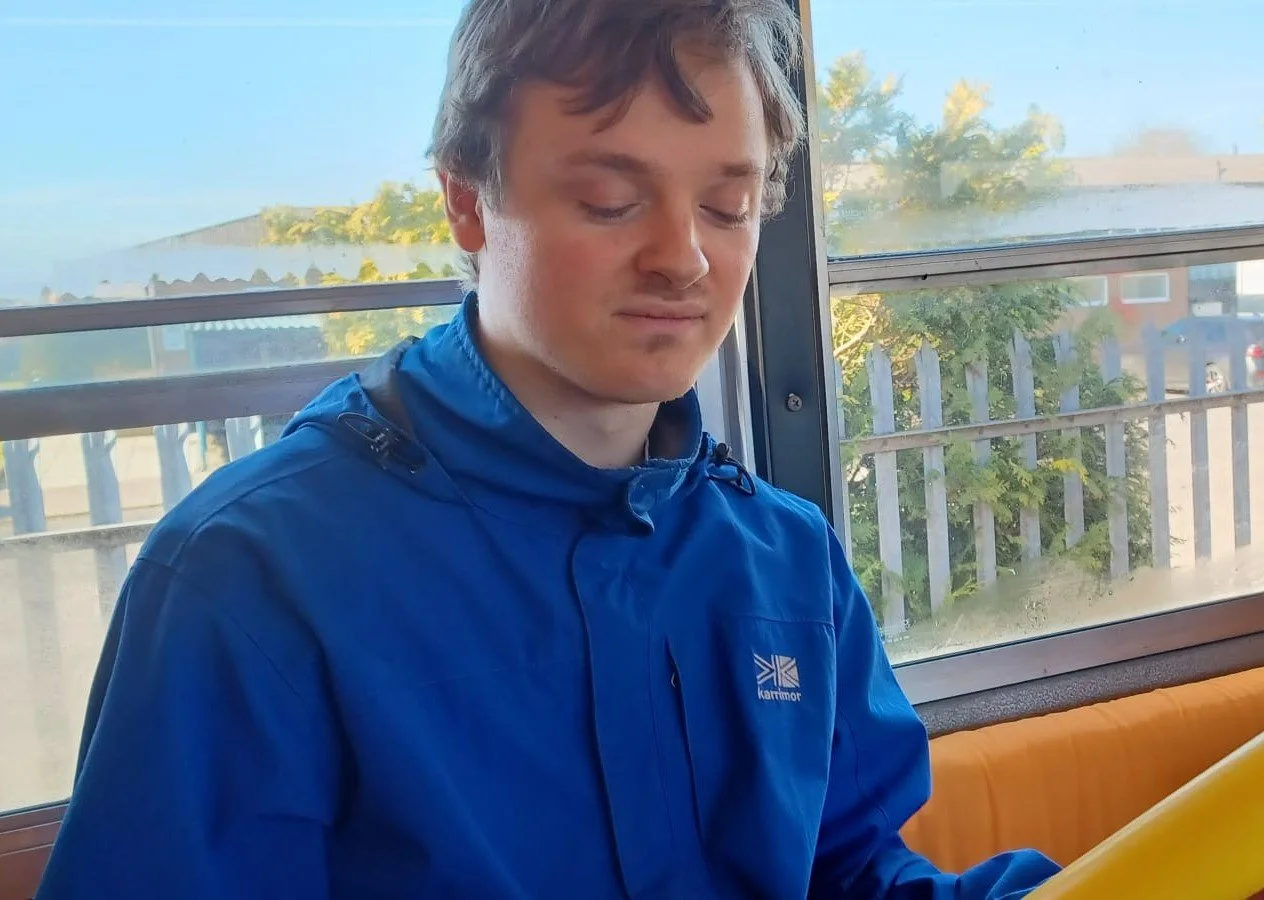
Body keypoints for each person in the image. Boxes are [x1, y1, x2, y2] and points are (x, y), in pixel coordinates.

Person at [37, 0, 1062, 897]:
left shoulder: (788, 563)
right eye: (611, 201)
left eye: (728, 206)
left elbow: (850, 871)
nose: (684, 258)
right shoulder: (251, 580)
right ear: (467, 200)